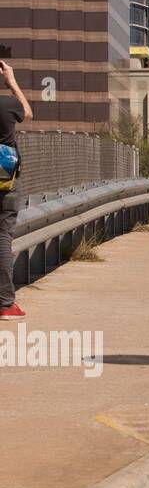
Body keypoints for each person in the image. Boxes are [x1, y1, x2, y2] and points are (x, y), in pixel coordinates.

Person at [0, 60, 33, 321]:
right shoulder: (7, 105)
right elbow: (28, 113)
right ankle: (6, 303)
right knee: (2, 237)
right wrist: (11, 82)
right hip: (5, 182)